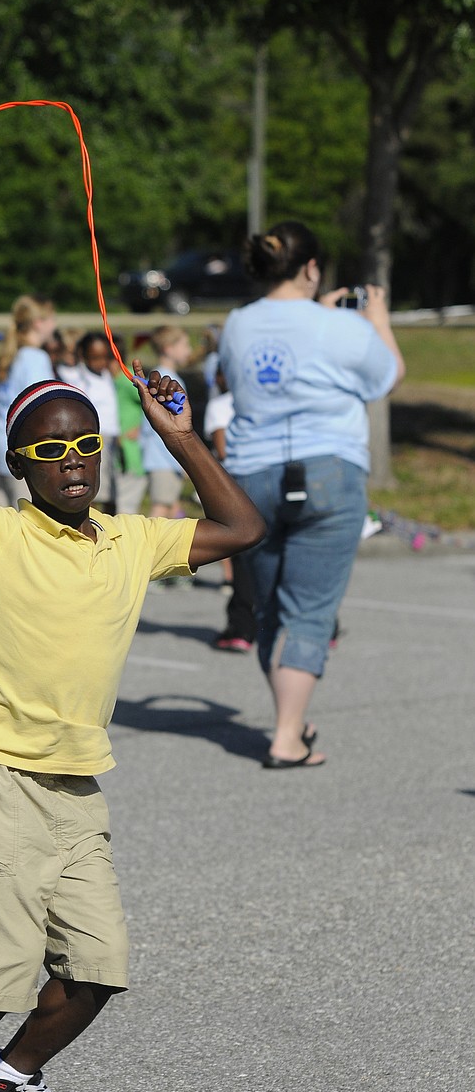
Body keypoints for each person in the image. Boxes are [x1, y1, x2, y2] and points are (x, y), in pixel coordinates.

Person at [0, 259, 265, 1092]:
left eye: (84, 443)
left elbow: (241, 527)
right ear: (17, 465)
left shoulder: (131, 541)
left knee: (98, 965)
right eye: (48, 449)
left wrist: (177, 434)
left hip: (74, 782)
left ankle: (7, 1077)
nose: (71, 459)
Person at [219, 221, 405, 768]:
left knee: (269, 604)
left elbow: (234, 379)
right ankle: (285, 736)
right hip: (329, 470)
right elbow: (387, 376)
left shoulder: (236, 325)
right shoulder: (338, 328)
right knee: (311, 609)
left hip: (252, 475)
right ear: (311, 268)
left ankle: (292, 722)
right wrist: (377, 319)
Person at [0, 294, 57, 505]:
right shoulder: (35, 358)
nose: (54, 325)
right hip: (21, 447)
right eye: (52, 319)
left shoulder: (11, 354)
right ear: (38, 323)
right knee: (25, 522)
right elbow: (40, 408)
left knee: (0, 523)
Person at [203, 363, 257, 652]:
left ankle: (242, 628)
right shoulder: (261, 401)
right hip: (270, 478)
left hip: (239, 484)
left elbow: (222, 450)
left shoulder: (220, 406)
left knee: (243, 561)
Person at [138, 325, 193, 519]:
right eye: (185, 345)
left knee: (171, 507)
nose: (189, 350)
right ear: (169, 348)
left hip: (165, 457)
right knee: (160, 510)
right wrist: (182, 458)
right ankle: (147, 549)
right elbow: (169, 425)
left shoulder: (163, 377)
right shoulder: (166, 380)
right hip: (164, 457)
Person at [61, 332, 120, 510]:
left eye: (104, 357)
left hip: (112, 438)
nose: (100, 362)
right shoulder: (77, 378)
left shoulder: (108, 376)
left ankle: (109, 524)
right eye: (94, 358)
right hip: (93, 439)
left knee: (112, 487)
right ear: (83, 355)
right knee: (91, 485)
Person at [111, 334, 147, 515]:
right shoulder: (108, 381)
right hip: (116, 456)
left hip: (131, 455)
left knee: (125, 511)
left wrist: (141, 427)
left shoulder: (127, 381)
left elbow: (150, 402)